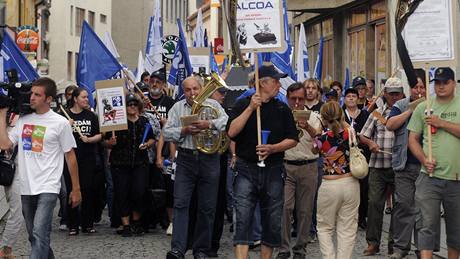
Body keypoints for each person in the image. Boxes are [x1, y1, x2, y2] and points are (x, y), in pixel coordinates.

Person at [0, 77, 82, 259]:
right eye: (31, 94)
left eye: (37, 94)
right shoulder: (23, 121)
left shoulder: (60, 123)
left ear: (48, 99)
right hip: (26, 186)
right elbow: (5, 145)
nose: (32, 98)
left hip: (48, 186)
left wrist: (76, 189)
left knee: (38, 232)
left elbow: (71, 157)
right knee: (34, 236)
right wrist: (2, 115)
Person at [227, 62, 298, 259]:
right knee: (242, 216)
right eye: (275, 81)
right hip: (246, 168)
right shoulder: (243, 103)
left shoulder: (282, 108)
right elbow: (231, 132)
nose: (278, 85)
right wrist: (250, 108)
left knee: (272, 219)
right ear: (263, 83)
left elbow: (293, 139)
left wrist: (273, 148)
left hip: (273, 169)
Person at [164, 76, 228, 259]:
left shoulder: (213, 105)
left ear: (201, 88)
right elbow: (167, 132)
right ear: (183, 91)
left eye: (195, 89)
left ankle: (201, 250)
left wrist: (209, 124)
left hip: (209, 159)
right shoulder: (177, 107)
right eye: (188, 90)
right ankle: (178, 249)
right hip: (185, 158)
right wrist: (183, 131)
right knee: (181, 203)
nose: (192, 93)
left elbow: (226, 122)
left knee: (207, 207)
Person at [407, 67, 460, 259]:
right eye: (437, 82)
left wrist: (441, 123)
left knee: (456, 230)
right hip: (429, 177)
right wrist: (423, 159)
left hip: (456, 177)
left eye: (445, 82)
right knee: (426, 226)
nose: (441, 86)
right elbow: (412, 139)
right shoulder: (424, 106)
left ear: (454, 83)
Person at [359, 78, 405, 256]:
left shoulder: (406, 112)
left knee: (399, 206)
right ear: (385, 94)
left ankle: (394, 243)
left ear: (402, 94)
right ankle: (373, 243)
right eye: (391, 93)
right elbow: (363, 135)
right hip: (378, 165)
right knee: (374, 204)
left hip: (400, 166)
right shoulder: (377, 113)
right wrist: (370, 143)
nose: (394, 96)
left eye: (397, 93)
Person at [385, 69, 426, 259]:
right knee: (404, 206)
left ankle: (422, 248)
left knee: (423, 208)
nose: (419, 91)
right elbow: (390, 124)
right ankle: (401, 247)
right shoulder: (401, 104)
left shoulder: (432, 104)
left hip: (425, 165)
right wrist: (411, 109)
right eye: (415, 87)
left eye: (422, 87)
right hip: (403, 164)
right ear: (409, 89)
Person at [277, 83, 320, 259]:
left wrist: (307, 127)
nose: (296, 103)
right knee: (285, 208)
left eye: (300, 99)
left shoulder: (314, 116)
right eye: (293, 99)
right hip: (287, 165)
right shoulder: (281, 114)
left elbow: (320, 140)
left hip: (308, 166)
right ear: (287, 98)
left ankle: (300, 248)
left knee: (305, 210)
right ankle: (283, 248)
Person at [104, 93, 155, 237]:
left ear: (138, 106)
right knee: (122, 193)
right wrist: (110, 143)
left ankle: (136, 221)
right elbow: (105, 142)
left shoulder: (144, 122)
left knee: (138, 192)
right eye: (128, 104)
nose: (131, 107)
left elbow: (152, 139)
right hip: (120, 163)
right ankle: (125, 224)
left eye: (134, 104)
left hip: (140, 163)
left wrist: (147, 144)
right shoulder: (115, 123)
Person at [314, 101, 360, 259]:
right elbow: (352, 135)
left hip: (329, 185)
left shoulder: (322, 139)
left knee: (324, 227)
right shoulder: (350, 133)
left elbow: (314, 150)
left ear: (324, 118)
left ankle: (328, 257)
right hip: (350, 183)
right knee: (347, 228)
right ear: (340, 115)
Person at [64, 88, 102, 235]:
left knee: (87, 190)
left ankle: (87, 223)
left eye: (87, 97)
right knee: (71, 189)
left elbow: (100, 135)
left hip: (88, 158)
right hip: (70, 158)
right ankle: (72, 224)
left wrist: (90, 139)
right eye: (84, 97)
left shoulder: (91, 116)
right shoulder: (65, 115)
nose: (87, 100)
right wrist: (66, 125)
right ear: (75, 99)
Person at [342, 87, 370, 230]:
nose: (351, 98)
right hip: (345, 153)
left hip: (362, 153)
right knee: (348, 187)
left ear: (358, 99)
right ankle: (348, 217)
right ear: (344, 99)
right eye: (348, 96)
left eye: (354, 96)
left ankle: (362, 217)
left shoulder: (365, 114)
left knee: (364, 188)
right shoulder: (341, 115)